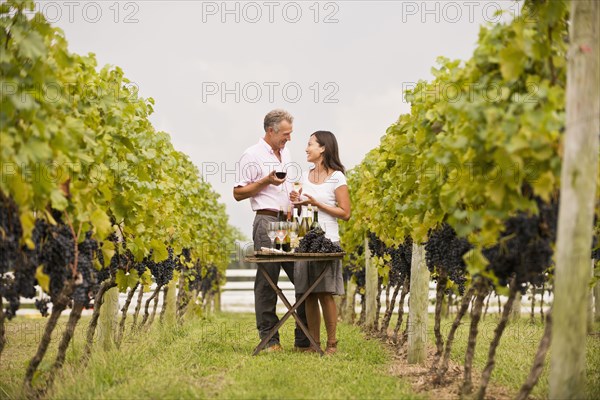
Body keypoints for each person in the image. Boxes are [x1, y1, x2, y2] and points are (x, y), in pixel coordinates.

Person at [233, 109, 310, 352]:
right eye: (286, 134)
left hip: (288, 222)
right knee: (268, 280)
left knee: (303, 277)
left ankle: (303, 338)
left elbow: (283, 188)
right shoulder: (251, 155)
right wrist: (265, 180)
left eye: (290, 134)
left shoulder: (285, 152)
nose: (289, 139)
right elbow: (238, 193)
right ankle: (269, 339)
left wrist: (294, 196)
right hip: (266, 221)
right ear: (270, 130)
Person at [290, 131, 351, 355]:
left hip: (327, 241)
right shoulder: (304, 177)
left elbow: (345, 213)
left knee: (325, 293)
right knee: (308, 293)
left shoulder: (337, 177)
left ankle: (332, 343)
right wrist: (297, 203)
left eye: (310, 144)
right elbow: (301, 209)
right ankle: (313, 343)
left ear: (323, 148)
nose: (306, 149)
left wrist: (317, 203)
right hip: (305, 239)